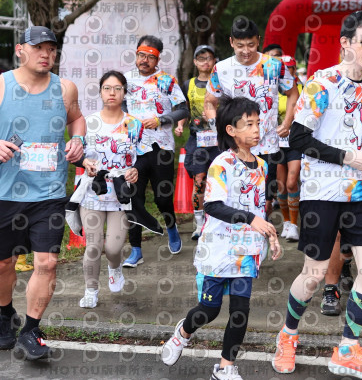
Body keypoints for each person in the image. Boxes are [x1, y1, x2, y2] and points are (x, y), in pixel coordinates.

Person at [271, 10, 362, 379]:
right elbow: (299, 138)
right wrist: (349, 157)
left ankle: (347, 349)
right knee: (313, 275)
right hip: (321, 192)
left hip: (361, 192)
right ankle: (287, 335)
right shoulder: (322, 83)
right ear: (345, 43)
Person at [161, 95, 281, 380]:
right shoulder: (221, 164)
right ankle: (183, 332)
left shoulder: (262, 166)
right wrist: (251, 219)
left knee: (240, 311)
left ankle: (225, 367)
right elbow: (213, 206)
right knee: (209, 309)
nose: (256, 129)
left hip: (246, 250)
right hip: (218, 248)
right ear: (231, 130)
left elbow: (258, 209)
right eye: (248, 124)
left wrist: (269, 234)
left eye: (258, 123)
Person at [0, 26, 85, 359]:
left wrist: (78, 140)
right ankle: (4, 314)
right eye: (38, 48)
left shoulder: (64, 88)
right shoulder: (2, 85)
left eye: (51, 49)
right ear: (20, 49)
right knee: (4, 264)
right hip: (5, 193)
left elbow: (76, 119)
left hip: (48, 192)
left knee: (47, 263)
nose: (46, 54)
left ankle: (31, 330)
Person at [204, 19, 299, 218]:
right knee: (236, 198)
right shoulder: (221, 68)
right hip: (234, 146)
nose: (246, 51)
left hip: (267, 145)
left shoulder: (274, 65)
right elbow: (209, 103)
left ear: (258, 41)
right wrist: (218, 128)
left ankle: (262, 233)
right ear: (231, 42)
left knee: (264, 202)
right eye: (240, 46)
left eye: (251, 45)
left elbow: (293, 93)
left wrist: (287, 122)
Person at [75, 71, 142, 308]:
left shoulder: (134, 124)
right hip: (92, 191)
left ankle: (115, 267)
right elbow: (74, 154)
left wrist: (136, 170)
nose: (112, 93)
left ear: (124, 92)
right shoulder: (88, 122)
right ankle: (91, 291)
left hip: (120, 195)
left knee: (113, 248)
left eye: (117, 88)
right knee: (93, 246)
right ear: (100, 91)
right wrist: (84, 162)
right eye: (107, 88)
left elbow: (142, 157)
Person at [122, 35, 188, 267]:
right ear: (136, 55)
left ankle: (171, 227)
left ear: (157, 59)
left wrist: (162, 120)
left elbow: (183, 109)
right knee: (133, 199)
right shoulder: (125, 80)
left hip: (162, 147)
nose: (145, 60)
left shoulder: (167, 81)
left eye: (150, 57)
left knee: (163, 198)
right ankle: (136, 250)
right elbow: (119, 105)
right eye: (141, 55)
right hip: (133, 148)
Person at [176, 44, 218, 241]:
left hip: (218, 140)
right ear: (195, 62)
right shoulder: (188, 85)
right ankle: (199, 223)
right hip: (197, 139)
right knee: (199, 179)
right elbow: (184, 109)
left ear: (214, 61)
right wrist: (180, 125)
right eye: (201, 58)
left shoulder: (220, 83)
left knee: (218, 180)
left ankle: (217, 220)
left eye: (209, 58)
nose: (205, 62)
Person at [273, 55, 302, 241]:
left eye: (289, 68)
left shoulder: (302, 89)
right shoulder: (272, 89)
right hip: (277, 144)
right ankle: (286, 222)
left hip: (295, 143)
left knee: (292, 183)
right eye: (283, 69)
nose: (286, 72)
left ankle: (294, 225)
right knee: (281, 186)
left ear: (294, 69)